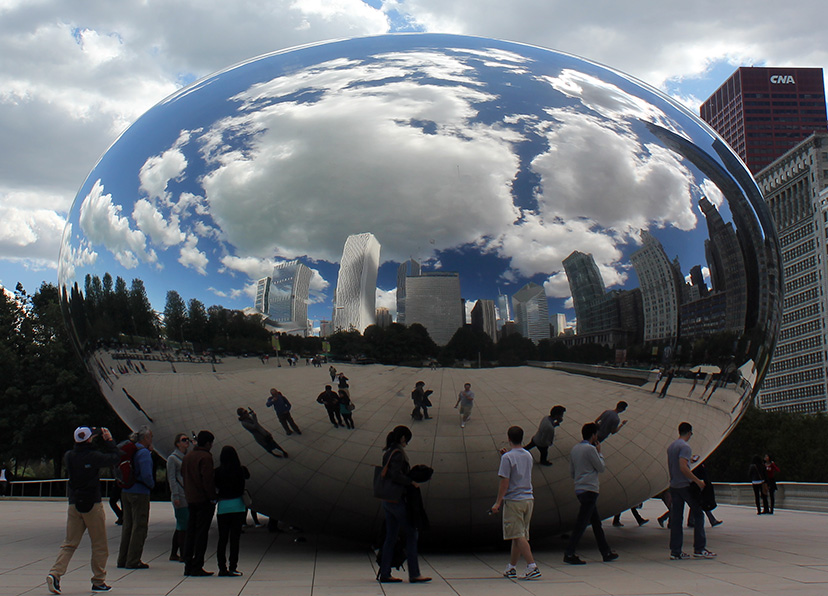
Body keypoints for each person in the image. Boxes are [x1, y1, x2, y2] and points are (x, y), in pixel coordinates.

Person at [47, 426, 120, 594]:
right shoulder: (93, 456)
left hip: (74, 503)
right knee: (99, 544)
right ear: (88, 439)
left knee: (69, 543)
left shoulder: (69, 456)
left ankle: (55, 573)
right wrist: (109, 440)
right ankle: (98, 580)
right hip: (92, 504)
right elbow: (115, 458)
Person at [377, 426, 431, 584]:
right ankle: (414, 573)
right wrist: (411, 482)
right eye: (406, 438)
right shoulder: (398, 454)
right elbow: (395, 475)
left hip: (387, 499)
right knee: (411, 533)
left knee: (391, 536)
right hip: (397, 500)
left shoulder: (388, 451)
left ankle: (385, 572)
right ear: (402, 438)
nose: (407, 442)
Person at [563, 423, 618, 565]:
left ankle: (605, 551)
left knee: (596, 522)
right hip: (590, 489)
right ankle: (569, 552)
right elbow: (601, 468)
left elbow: (572, 472)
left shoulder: (575, 449)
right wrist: (599, 452)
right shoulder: (590, 449)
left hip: (580, 488)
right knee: (582, 523)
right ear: (593, 435)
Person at [492, 426, 541, 580]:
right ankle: (512, 567)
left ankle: (532, 566)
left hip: (514, 500)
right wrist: (506, 456)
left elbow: (505, 481)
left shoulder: (507, 458)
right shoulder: (527, 455)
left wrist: (498, 502)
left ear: (508, 438)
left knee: (517, 534)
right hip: (528, 499)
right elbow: (519, 469)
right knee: (518, 535)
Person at [667, 422, 716, 560]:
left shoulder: (672, 446)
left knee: (676, 519)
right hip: (685, 486)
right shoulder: (685, 447)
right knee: (698, 514)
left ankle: (675, 551)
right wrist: (697, 481)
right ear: (689, 432)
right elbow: (683, 467)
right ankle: (699, 549)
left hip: (674, 485)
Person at [117, 425, 154, 570]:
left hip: (126, 490)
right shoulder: (144, 452)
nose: (152, 440)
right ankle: (133, 560)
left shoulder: (132, 450)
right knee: (139, 526)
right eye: (151, 437)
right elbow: (146, 475)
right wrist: (151, 485)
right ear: (146, 438)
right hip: (140, 493)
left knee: (128, 526)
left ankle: (123, 558)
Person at [182, 430, 216, 577]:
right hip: (203, 500)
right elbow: (207, 479)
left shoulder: (188, 456)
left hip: (191, 499)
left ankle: (188, 564)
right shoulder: (206, 457)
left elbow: (184, 475)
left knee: (191, 532)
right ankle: (197, 565)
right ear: (208, 443)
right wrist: (212, 497)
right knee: (201, 534)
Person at [214, 446, 249, 577]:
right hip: (238, 506)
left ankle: (222, 568)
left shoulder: (217, 472)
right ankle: (233, 567)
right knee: (235, 539)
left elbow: (215, 486)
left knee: (222, 539)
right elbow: (247, 477)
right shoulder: (240, 470)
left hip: (223, 507)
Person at [166, 433, 190, 562]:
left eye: (187, 440)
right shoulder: (173, 458)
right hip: (180, 495)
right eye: (183, 440)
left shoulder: (186, 457)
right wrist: (175, 495)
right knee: (183, 525)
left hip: (187, 494)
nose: (187, 442)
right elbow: (171, 478)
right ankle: (183, 553)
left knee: (181, 524)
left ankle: (174, 552)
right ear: (177, 443)